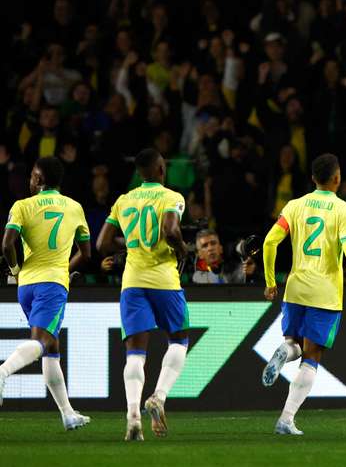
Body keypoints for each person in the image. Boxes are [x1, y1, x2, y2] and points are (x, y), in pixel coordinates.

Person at [260, 153, 346, 436]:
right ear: (337, 178)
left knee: (294, 343)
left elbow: (270, 242)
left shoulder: (294, 206)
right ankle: (286, 419)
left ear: (313, 178)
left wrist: (270, 281)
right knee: (312, 355)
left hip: (295, 288)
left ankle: (284, 351)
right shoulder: (345, 211)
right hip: (324, 292)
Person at [97, 148, 190, 441]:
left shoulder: (123, 201)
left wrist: (129, 251)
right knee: (179, 340)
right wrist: (183, 251)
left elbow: (102, 244)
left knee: (135, 354)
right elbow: (172, 231)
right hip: (164, 280)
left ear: (139, 173)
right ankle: (159, 397)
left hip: (132, 282)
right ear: (162, 170)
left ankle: (133, 419)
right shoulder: (172, 197)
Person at [0, 157, 91, 430]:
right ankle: (2, 371)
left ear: (38, 179)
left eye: (31, 176)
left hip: (26, 285)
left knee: (52, 347)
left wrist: (16, 270)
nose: (30, 180)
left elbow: (6, 245)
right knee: (41, 342)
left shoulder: (22, 206)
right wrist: (63, 270)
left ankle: (68, 413)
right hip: (52, 283)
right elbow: (86, 253)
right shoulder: (75, 208)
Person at [190, 229, 256, 284]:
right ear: (199, 254)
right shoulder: (197, 278)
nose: (210, 248)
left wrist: (250, 275)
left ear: (221, 248)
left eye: (213, 243)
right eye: (205, 246)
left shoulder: (238, 270)